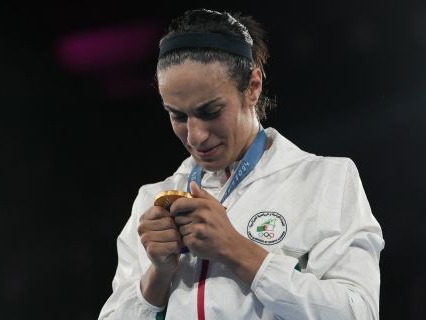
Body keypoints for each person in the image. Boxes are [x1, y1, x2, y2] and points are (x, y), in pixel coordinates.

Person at [98, 8, 384, 320]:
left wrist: (236, 249)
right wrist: (158, 275)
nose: (195, 136)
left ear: (252, 87)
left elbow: (357, 312)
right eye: (178, 115)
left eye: (210, 111)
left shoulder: (324, 180)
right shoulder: (151, 201)